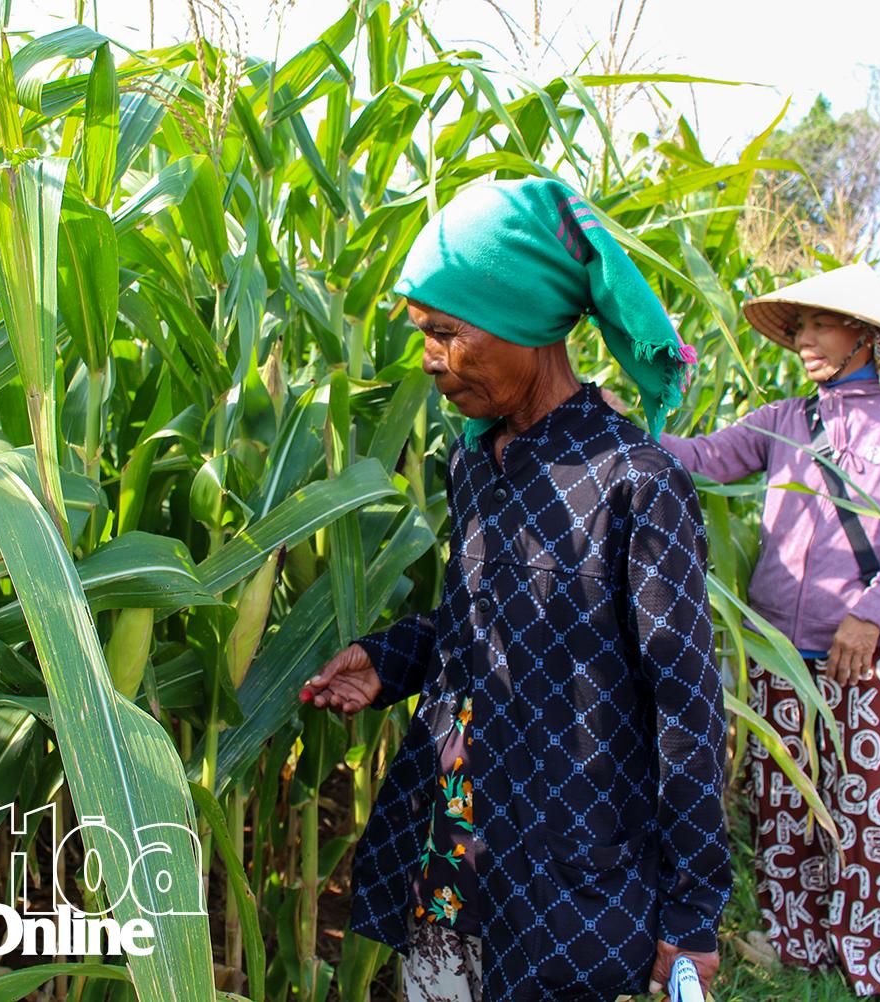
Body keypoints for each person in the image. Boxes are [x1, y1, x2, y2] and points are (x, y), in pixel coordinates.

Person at [300, 177, 731, 1002]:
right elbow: (478, 623)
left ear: (526, 322)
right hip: (454, 849)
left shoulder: (634, 481)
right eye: (423, 334)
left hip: (570, 880)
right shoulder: (475, 461)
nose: (430, 359)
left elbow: (687, 707)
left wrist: (693, 912)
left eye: (448, 334)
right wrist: (388, 662)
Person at [656, 263, 880, 1002]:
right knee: (785, 802)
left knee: (866, 806)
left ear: (865, 335)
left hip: (865, 652)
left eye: (819, 325)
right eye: (798, 329)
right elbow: (701, 458)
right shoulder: (786, 418)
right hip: (777, 652)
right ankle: (796, 937)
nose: (803, 341)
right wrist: (616, 427)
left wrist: (871, 610)